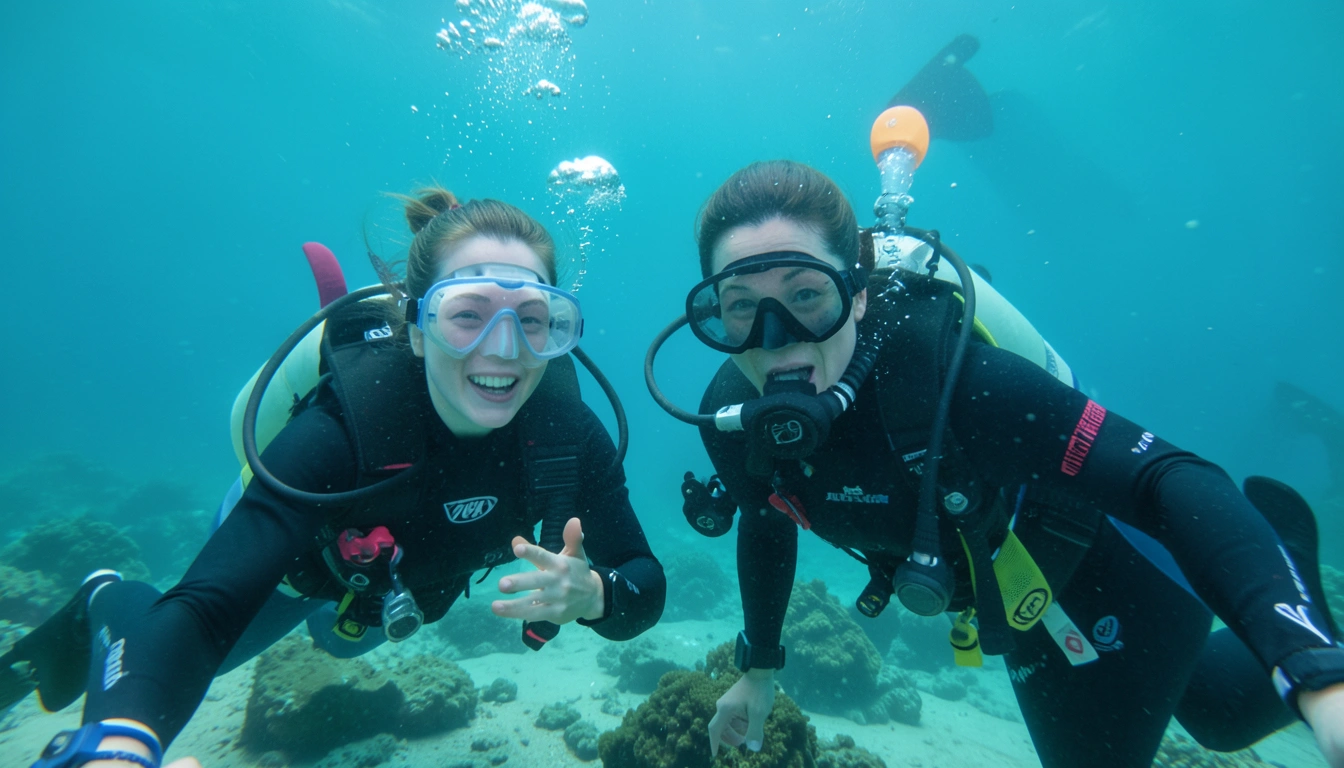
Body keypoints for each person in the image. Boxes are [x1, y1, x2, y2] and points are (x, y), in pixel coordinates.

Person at [664, 160, 1344, 767]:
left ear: (859, 293)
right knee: (1210, 705)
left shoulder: (953, 386)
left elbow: (1165, 477)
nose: (775, 342)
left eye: (807, 295)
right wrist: (758, 667)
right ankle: (1287, 569)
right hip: (1003, 600)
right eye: (741, 309)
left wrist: (1310, 664)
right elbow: (765, 521)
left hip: (1086, 579)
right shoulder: (733, 420)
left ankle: (1290, 575)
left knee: (1221, 715)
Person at [0, 186, 665, 768]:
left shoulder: (566, 431)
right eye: (467, 313)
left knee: (341, 645)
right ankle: (104, 596)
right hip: (300, 563)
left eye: (531, 320)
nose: (501, 347)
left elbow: (642, 574)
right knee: (205, 659)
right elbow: (201, 613)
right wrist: (120, 744)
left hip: (387, 586)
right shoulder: (346, 428)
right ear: (415, 327)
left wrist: (596, 595)